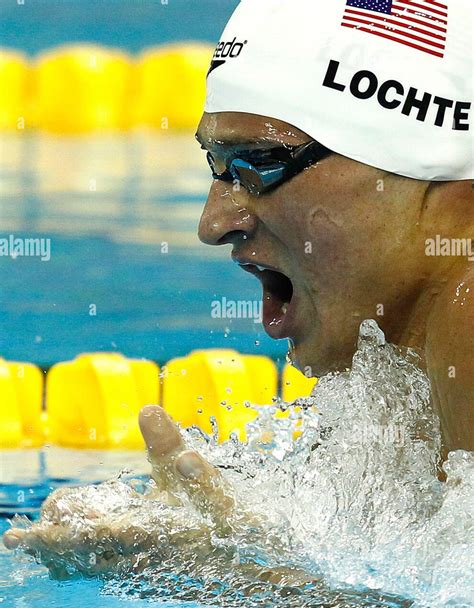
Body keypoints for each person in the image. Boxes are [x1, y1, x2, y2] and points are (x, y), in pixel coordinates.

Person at [3, 0, 473, 577]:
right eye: (216, 165)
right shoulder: (404, 368)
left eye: (261, 163)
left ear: (441, 178)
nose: (213, 222)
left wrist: (240, 574)